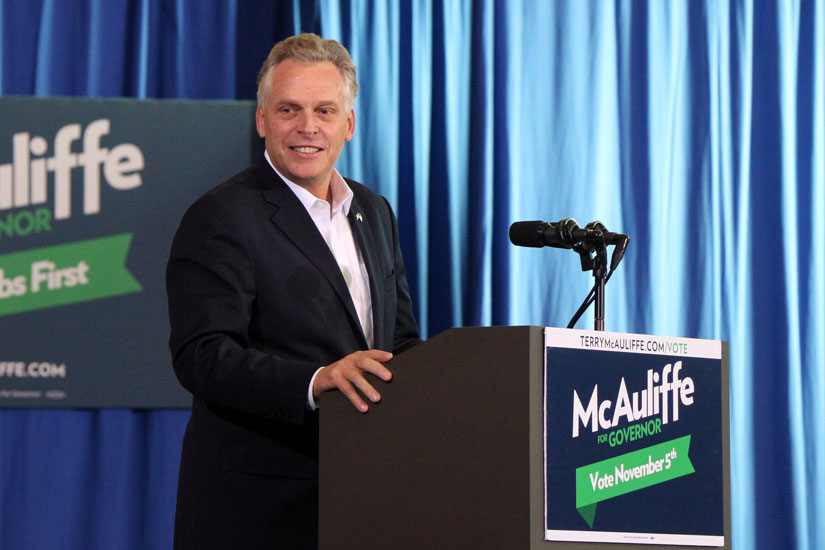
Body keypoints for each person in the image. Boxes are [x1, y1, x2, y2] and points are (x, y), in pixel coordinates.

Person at [166, 33, 421, 549]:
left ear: (348, 125)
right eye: (289, 109)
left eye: (325, 111)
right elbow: (203, 355)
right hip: (258, 508)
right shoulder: (222, 216)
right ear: (262, 120)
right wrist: (317, 379)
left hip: (365, 496)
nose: (308, 127)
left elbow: (401, 345)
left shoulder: (374, 212)